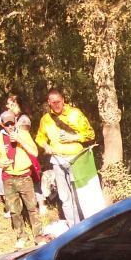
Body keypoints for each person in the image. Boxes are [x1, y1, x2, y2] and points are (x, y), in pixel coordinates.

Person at [34, 87, 95, 226]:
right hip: (57, 161)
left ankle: (87, 226)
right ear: (48, 102)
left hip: (76, 160)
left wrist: (73, 137)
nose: (56, 105)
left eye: (59, 102)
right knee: (64, 196)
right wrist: (46, 146)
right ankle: (74, 228)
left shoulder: (75, 114)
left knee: (80, 194)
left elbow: (91, 134)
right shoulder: (46, 119)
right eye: (53, 102)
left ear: (63, 100)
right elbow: (39, 138)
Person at [0, 111, 43, 249]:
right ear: (2, 124)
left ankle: (38, 235)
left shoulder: (23, 133)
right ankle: (21, 236)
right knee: (15, 210)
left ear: (15, 121)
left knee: (32, 208)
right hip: (9, 178)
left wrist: (20, 140)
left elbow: (35, 152)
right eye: (6, 124)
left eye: (12, 123)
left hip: (25, 177)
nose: (10, 126)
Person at [4, 93, 45, 214]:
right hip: (18, 151)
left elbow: (23, 131)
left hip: (28, 151)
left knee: (35, 177)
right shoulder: (13, 119)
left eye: (12, 105)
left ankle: (42, 204)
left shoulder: (24, 119)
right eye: (8, 105)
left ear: (17, 105)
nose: (9, 107)